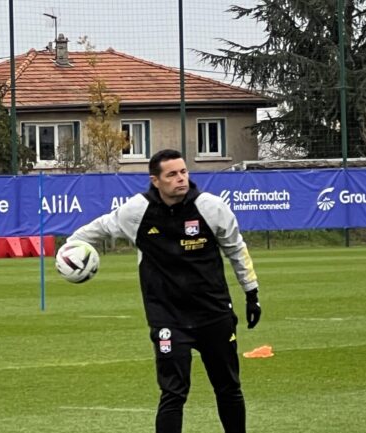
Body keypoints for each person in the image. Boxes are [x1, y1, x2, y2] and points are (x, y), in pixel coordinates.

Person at [67, 149, 261, 433]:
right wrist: (71, 249)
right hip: (167, 318)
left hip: (214, 313)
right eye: (172, 174)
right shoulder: (137, 211)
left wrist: (251, 292)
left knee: (228, 388)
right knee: (173, 394)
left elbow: (236, 248)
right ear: (155, 180)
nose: (180, 178)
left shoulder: (211, 207)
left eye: (183, 171)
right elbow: (98, 229)